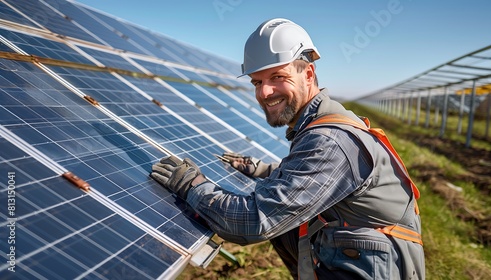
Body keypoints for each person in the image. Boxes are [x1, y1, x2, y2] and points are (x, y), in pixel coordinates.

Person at [150, 18, 425, 279]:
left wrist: (191, 184)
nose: (264, 93)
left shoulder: (329, 141)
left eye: (277, 77)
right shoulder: (321, 123)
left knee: (277, 222)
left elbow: (251, 221)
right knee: (286, 219)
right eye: (257, 82)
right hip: (362, 257)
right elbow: (310, 179)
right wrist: (262, 170)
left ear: (308, 73)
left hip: (375, 270)